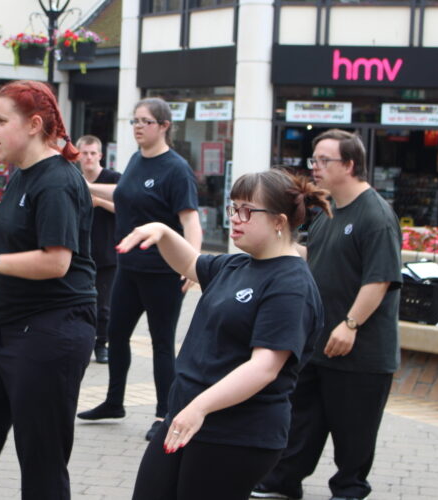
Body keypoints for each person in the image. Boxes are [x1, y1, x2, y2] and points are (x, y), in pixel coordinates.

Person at [125, 169, 328, 500]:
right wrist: (162, 231)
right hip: (188, 418)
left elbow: (264, 367)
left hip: (235, 433)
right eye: (233, 208)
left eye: (247, 210)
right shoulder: (237, 265)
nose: (235, 218)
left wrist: (200, 407)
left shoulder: (291, 285)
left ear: (279, 221)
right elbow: (190, 263)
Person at [0, 80, 96, 500]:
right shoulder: (22, 175)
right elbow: (20, 226)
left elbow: (56, 260)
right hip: (5, 329)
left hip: (53, 331)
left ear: (33, 124)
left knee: (41, 460)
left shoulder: (58, 180)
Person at [253, 130, 402, 500]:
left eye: (323, 161)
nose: (314, 168)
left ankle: (350, 489)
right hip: (318, 343)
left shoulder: (376, 215)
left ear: (349, 165)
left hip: (361, 350)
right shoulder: (330, 212)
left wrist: (350, 324)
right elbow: (312, 256)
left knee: (354, 428)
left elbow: (380, 278)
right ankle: (283, 481)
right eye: (313, 160)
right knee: (303, 419)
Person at [78, 97, 203, 441]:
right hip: (128, 268)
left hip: (163, 272)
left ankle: (166, 413)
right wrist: (86, 186)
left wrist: (193, 264)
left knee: (162, 344)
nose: (137, 126)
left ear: (163, 126)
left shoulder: (176, 169)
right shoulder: (135, 160)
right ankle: (113, 402)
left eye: (145, 121)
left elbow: (190, 219)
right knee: (116, 335)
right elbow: (124, 193)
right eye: (134, 120)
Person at [76, 134, 120, 364]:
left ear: (101, 155)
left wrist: (100, 201)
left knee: (104, 306)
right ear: (78, 155)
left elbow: (127, 208)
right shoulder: (73, 178)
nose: (89, 158)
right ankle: (81, 342)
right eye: (85, 153)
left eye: (93, 153)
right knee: (79, 302)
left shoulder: (114, 179)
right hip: (78, 253)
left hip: (107, 253)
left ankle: (101, 345)